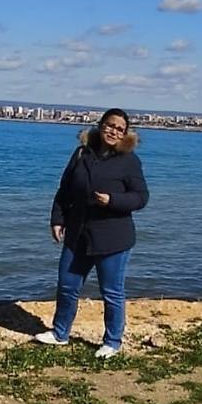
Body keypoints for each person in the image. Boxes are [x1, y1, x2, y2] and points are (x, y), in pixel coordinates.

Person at [34, 108, 149, 358]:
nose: (113, 131)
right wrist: (57, 219)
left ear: (126, 134)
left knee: (112, 292)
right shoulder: (81, 154)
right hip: (78, 234)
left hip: (113, 239)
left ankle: (112, 341)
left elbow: (141, 198)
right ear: (100, 126)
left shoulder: (129, 161)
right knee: (67, 285)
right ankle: (60, 333)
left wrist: (113, 200)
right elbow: (64, 190)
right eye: (110, 125)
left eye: (120, 128)